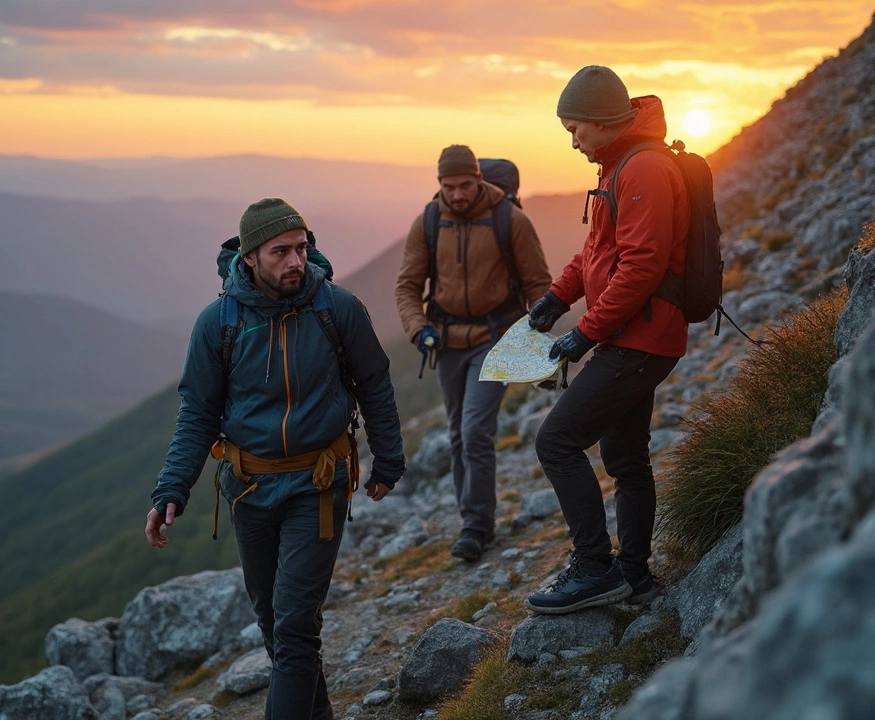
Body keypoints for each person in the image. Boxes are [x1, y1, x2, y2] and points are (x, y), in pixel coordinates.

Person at [145, 198, 405, 718]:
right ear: (249, 258)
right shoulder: (219, 323)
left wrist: (389, 460)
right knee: (275, 624)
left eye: (302, 248)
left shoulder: (337, 308)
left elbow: (375, 383)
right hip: (249, 490)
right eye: (280, 251)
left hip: (319, 484)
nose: (295, 261)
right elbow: (197, 413)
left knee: (293, 626)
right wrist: (171, 489)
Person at [524, 66, 690, 614]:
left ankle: (594, 568)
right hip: (636, 335)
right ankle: (634, 578)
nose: (573, 141)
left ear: (601, 121)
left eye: (576, 129)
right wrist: (557, 297)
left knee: (557, 441)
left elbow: (641, 266)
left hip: (639, 339)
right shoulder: (619, 165)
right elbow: (595, 253)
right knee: (626, 458)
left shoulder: (642, 169)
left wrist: (584, 334)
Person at [394, 145, 552, 562]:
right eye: (450, 187)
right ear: (439, 185)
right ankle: (473, 519)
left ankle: (476, 527)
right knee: (457, 433)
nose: (458, 194)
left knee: (474, 431)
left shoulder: (510, 220)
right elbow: (408, 286)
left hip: (494, 340)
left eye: (466, 185)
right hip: (446, 343)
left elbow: (539, 284)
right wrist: (418, 328)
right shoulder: (428, 222)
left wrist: (532, 341)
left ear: (479, 178)